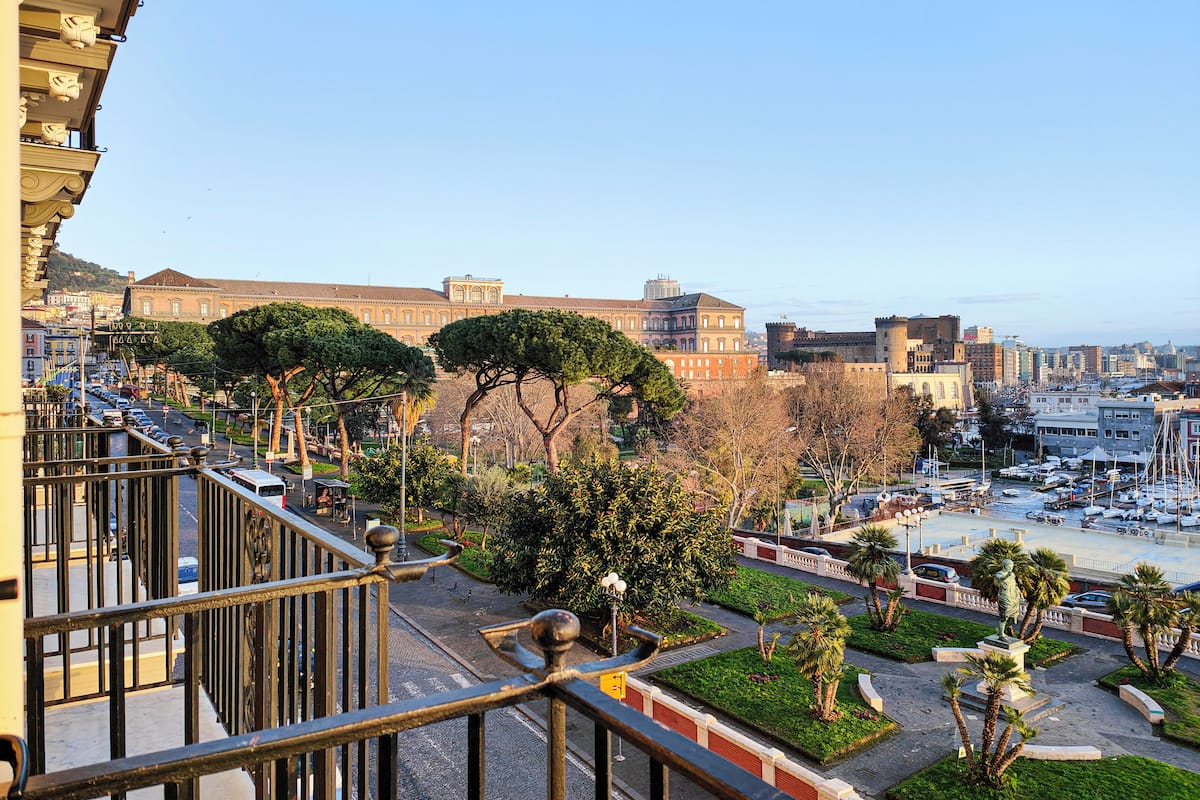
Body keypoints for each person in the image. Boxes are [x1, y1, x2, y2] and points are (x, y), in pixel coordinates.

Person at [994, 558, 1021, 640]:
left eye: (1012, 566)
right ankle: (1001, 634)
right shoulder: (999, 573)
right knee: (1004, 616)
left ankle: (999, 629)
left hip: (1013, 596)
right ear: (1004, 566)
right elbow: (1001, 578)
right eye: (1009, 566)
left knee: (1014, 617)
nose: (1011, 568)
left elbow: (1014, 584)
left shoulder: (1012, 574)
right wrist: (1007, 575)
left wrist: (1018, 592)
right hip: (1005, 597)